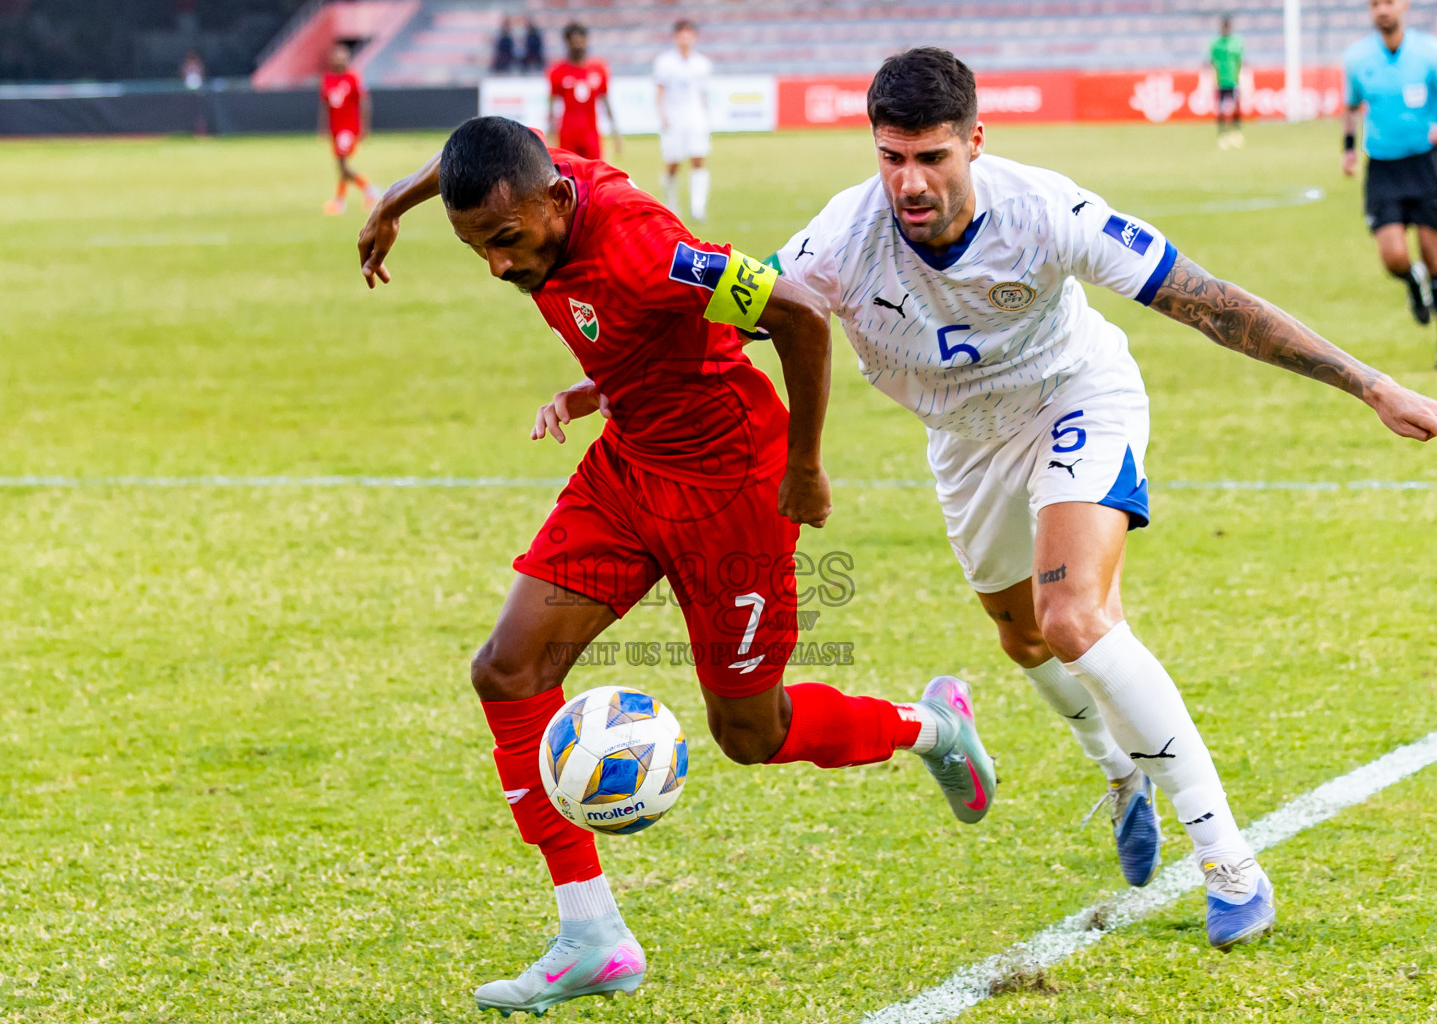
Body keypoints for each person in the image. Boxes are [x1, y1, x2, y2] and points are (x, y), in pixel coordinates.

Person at [770, 48, 1437, 951]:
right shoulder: (837, 238)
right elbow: (729, 315)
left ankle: (1228, 862)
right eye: (892, 157)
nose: (910, 181)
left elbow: (1208, 302)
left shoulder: (1044, 212)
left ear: (975, 141)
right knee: (1019, 634)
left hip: (1074, 396)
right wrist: (607, 385)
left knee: (1073, 616)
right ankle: (1117, 769)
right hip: (964, 443)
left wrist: (1373, 386)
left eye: (933, 157)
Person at [355, 116, 997, 1015]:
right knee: (507, 671)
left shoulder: (651, 250)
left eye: (506, 241)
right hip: (629, 466)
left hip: (733, 484)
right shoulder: (536, 177)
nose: (498, 265)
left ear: (556, 199)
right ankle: (592, 935)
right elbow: (486, 147)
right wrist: (393, 201)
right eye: (476, 249)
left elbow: (796, 315)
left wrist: (804, 468)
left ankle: (929, 725)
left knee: (750, 733)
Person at [1343, 0, 1437, 370]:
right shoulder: (1357, 58)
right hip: (1382, 167)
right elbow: (1351, 107)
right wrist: (1348, 150)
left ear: (1404, 6)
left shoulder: (1431, 53)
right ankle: (1412, 281)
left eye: (1389, 3)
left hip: (1424, 164)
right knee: (1393, 257)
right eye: (1375, 4)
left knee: (1434, 257)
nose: (1382, 10)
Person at [654, 19, 713, 220]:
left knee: (698, 159)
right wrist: (663, 116)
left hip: (695, 118)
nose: (685, 39)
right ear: (676, 37)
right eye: (682, 34)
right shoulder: (665, 63)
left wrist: (706, 117)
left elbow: (704, 94)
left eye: (688, 34)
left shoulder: (702, 63)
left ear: (694, 37)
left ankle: (698, 207)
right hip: (674, 118)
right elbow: (660, 92)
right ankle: (671, 205)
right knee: (672, 163)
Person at [318, 43, 379, 216]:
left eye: (342, 55)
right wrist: (323, 126)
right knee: (341, 165)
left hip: (349, 128)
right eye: (336, 55)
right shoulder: (328, 79)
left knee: (342, 164)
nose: (339, 58)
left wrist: (364, 127)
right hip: (335, 129)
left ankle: (365, 190)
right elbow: (325, 104)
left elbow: (364, 102)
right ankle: (343, 200)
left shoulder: (353, 78)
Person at [547, 23, 620, 161]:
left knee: (594, 174)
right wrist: (550, 134)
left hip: (591, 133)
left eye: (581, 41)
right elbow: (551, 105)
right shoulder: (557, 71)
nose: (579, 45)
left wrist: (615, 131)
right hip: (568, 133)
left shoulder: (599, 69)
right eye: (575, 42)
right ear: (567, 43)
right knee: (569, 175)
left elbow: (606, 101)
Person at [1210, 15, 1243, 148]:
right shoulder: (1216, 44)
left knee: (1235, 107)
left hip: (1233, 81)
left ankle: (1236, 132)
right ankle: (1222, 134)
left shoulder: (1236, 43)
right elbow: (1212, 62)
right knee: (1221, 109)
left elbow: (1239, 61)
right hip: (1220, 82)